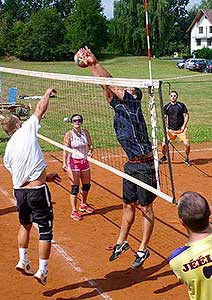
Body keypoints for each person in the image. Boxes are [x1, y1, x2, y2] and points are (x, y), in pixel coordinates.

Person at [78, 46, 157, 269]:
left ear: (133, 93)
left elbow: (113, 85)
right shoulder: (119, 106)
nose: (124, 87)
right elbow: (107, 86)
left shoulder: (133, 104)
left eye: (127, 87)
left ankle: (143, 249)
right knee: (127, 205)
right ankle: (121, 242)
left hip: (145, 165)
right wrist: (93, 66)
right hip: (130, 165)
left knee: (146, 209)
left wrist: (93, 64)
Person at [1, 88, 58, 286]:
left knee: (24, 225)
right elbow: (40, 108)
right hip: (36, 192)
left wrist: (44, 177)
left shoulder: (8, 150)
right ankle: (42, 271)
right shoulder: (26, 129)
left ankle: (23, 260)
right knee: (45, 230)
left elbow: (19, 172)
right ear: (18, 124)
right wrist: (47, 93)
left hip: (20, 192)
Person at [63, 114, 95, 221]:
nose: (77, 122)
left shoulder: (85, 132)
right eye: (75, 120)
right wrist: (64, 163)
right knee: (75, 187)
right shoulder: (69, 134)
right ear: (72, 123)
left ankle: (83, 204)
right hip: (73, 163)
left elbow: (90, 145)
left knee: (86, 185)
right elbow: (65, 149)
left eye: (79, 120)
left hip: (84, 162)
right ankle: (74, 211)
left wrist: (90, 151)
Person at [159, 90, 191, 166]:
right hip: (171, 130)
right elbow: (164, 118)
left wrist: (184, 126)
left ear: (177, 97)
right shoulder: (167, 107)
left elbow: (186, 115)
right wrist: (166, 128)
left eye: (174, 96)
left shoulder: (181, 105)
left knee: (187, 144)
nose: (173, 97)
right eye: (171, 96)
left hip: (181, 130)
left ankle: (186, 157)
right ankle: (164, 156)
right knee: (163, 144)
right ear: (169, 97)